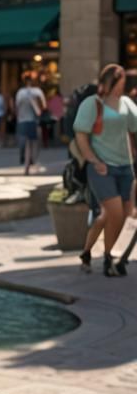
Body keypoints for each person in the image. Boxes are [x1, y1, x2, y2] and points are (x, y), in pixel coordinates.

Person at [74, 63, 137, 276]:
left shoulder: (127, 103)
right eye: (120, 83)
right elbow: (81, 135)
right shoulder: (93, 103)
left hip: (125, 168)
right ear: (110, 82)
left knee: (124, 216)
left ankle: (87, 253)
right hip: (102, 169)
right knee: (113, 214)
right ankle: (109, 259)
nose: (122, 87)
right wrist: (93, 160)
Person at [14, 71, 47, 175]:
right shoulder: (37, 91)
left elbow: (17, 108)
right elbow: (44, 106)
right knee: (34, 143)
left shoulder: (20, 93)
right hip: (33, 120)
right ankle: (31, 161)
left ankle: (26, 163)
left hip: (22, 120)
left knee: (26, 142)